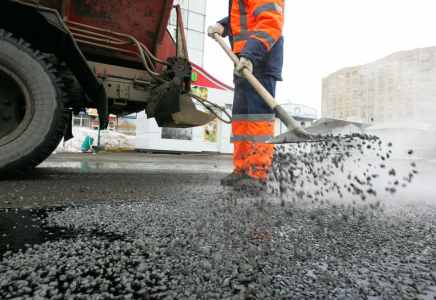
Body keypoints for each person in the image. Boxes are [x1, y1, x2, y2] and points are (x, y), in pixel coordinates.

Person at [207, 0, 284, 187]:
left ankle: (258, 173)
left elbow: (271, 21)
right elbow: (241, 18)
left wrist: (250, 55)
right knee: (241, 120)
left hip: (259, 61)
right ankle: (241, 168)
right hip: (241, 62)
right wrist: (223, 25)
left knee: (258, 119)